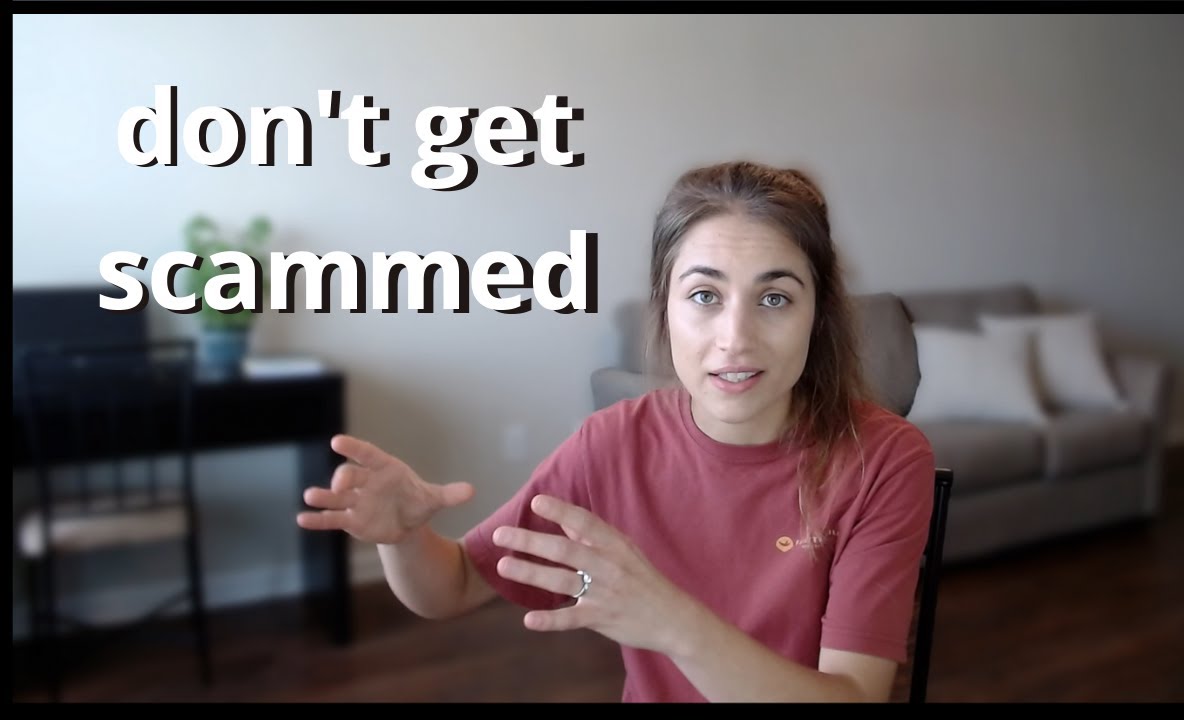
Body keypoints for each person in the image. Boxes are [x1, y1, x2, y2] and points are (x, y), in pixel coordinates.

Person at [297, 160, 936, 702]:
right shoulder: (614, 444)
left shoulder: (883, 458)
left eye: (775, 298)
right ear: (666, 307)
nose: (735, 338)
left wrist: (671, 621)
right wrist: (406, 537)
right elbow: (457, 583)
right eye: (705, 296)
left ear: (818, 315)